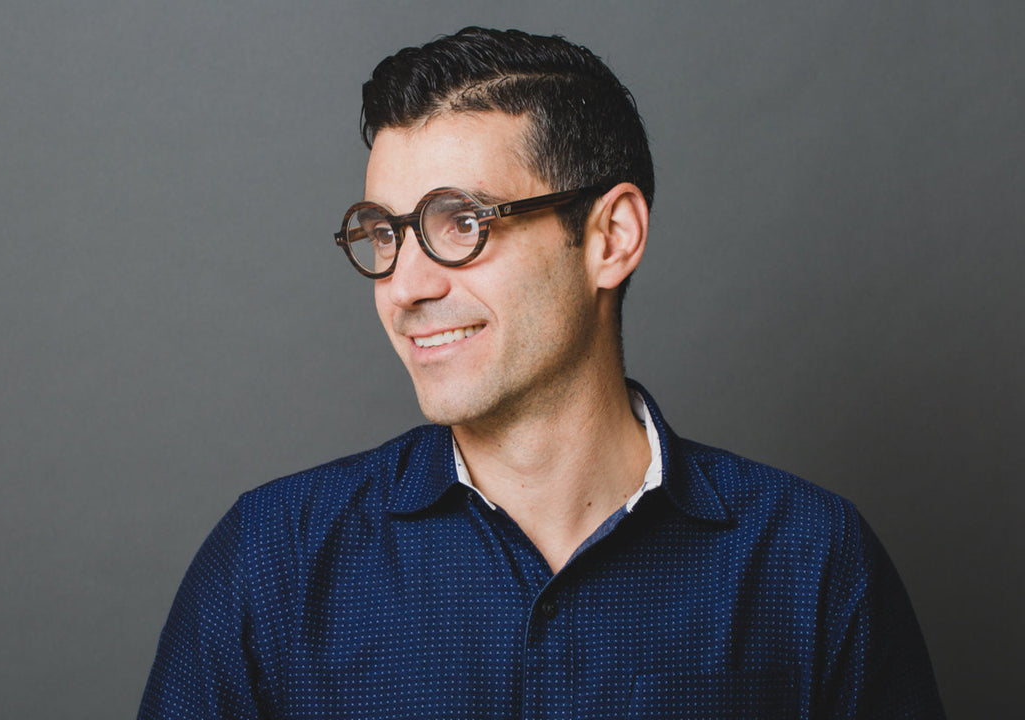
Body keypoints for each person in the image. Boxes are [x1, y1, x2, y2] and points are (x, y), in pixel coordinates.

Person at [139, 27, 944, 719]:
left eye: (460, 223)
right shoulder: (272, 562)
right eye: (384, 233)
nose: (408, 286)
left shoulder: (811, 563)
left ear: (610, 238)